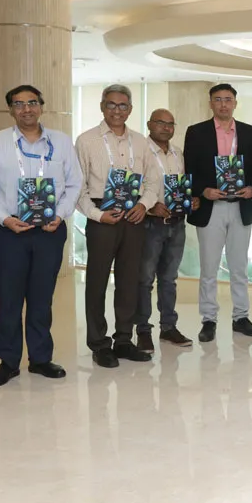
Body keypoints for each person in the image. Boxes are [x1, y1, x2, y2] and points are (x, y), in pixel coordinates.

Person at [0, 85, 82, 388]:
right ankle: (8, 362)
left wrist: (59, 214)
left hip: (49, 231)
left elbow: (74, 184)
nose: (26, 109)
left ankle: (41, 358)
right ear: (11, 110)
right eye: (18, 104)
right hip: (7, 232)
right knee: (8, 299)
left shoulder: (61, 142)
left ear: (41, 106)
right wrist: (4, 218)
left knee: (42, 297)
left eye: (32, 102)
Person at [76, 85, 159, 367]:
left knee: (129, 280)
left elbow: (153, 181)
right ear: (102, 106)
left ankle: (124, 339)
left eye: (123, 105)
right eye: (111, 104)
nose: (117, 110)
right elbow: (78, 187)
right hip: (102, 214)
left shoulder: (141, 142)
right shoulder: (86, 140)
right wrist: (97, 215)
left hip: (134, 214)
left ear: (130, 109)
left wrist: (143, 205)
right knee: (97, 281)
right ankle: (99, 344)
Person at [183, 83, 252, 343]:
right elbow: (188, 169)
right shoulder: (196, 132)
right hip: (211, 208)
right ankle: (209, 319)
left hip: (240, 206)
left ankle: (241, 316)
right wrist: (203, 190)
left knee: (239, 267)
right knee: (209, 267)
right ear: (210, 103)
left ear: (235, 103)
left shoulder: (250, 132)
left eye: (228, 99)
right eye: (217, 99)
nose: (223, 104)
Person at [135, 108, 194, 350]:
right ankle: (143, 330)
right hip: (151, 224)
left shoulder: (178, 153)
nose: (166, 127)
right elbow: (133, 184)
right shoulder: (139, 151)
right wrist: (149, 206)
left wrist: (190, 199)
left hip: (177, 223)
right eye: (160, 122)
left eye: (170, 124)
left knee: (169, 279)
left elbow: (181, 185)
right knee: (145, 280)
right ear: (150, 124)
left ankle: (168, 327)